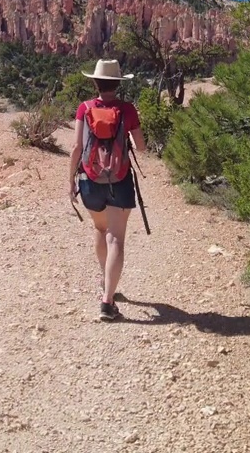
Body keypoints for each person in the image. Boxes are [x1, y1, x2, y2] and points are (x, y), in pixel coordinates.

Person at [68, 59, 146, 322]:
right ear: (118, 83)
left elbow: (77, 148)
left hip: (89, 181)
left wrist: (70, 182)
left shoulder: (84, 108)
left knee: (100, 230)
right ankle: (107, 301)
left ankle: (106, 281)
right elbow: (142, 146)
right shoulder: (127, 109)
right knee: (116, 239)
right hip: (120, 181)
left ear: (96, 82)